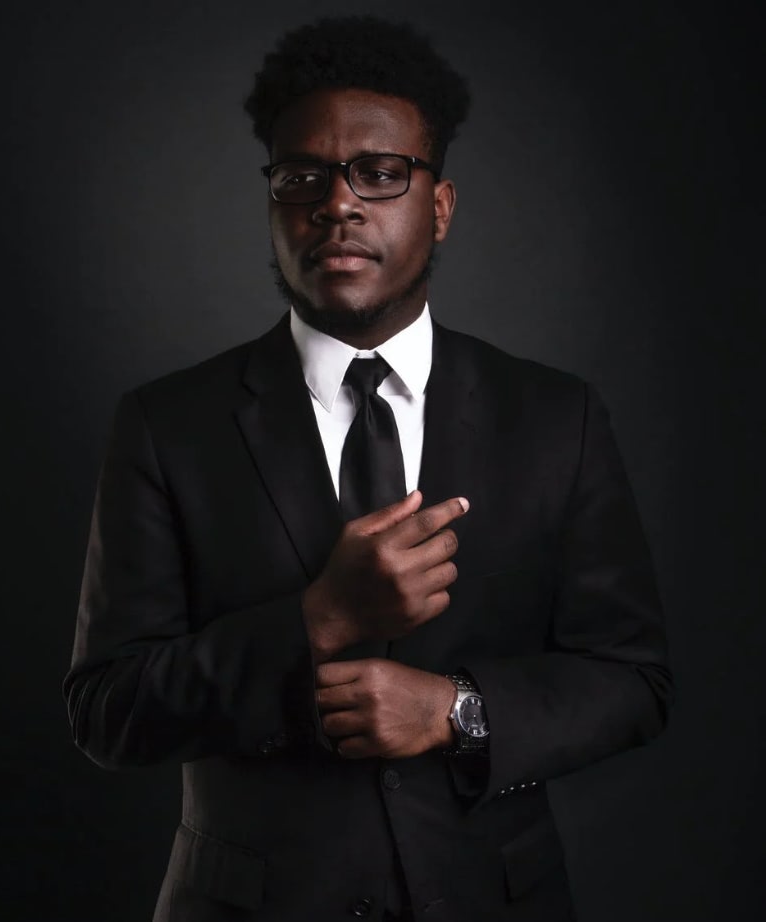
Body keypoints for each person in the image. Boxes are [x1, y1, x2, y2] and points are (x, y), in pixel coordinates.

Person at [64, 16, 672, 922]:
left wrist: (458, 712)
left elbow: (633, 681)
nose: (337, 205)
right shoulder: (167, 425)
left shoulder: (557, 417)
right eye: (302, 177)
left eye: (379, 172)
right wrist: (318, 619)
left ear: (440, 205)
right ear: (274, 202)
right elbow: (107, 709)